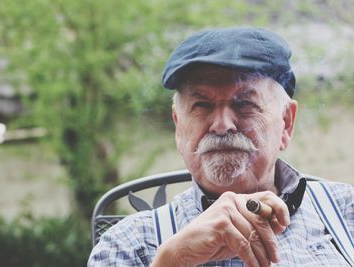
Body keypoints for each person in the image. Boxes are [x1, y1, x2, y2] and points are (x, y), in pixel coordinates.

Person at [87, 27, 354, 267]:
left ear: (286, 123)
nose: (222, 125)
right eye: (202, 105)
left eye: (244, 104)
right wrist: (173, 260)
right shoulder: (128, 243)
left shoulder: (345, 211)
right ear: (179, 127)